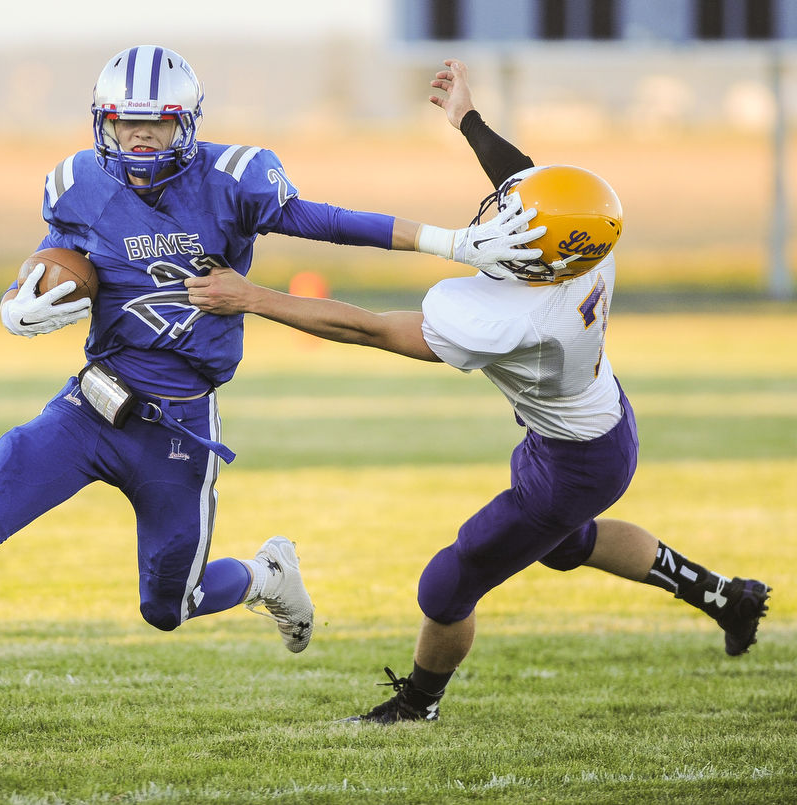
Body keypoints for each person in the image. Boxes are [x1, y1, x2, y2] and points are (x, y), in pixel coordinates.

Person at [0, 47, 542, 732]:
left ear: (186, 124)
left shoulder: (233, 180)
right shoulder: (77, 184)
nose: (143, 141)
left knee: (169, 606)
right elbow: (57, 257)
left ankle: (265, 574)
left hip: (177, 432)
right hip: (88, 407)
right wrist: (19, 298)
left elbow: (322, 219)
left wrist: (447, 241)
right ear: (103, 124)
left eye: (158, 126)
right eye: (128, 125)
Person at [183, 59, 772, 724]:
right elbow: (529, 180)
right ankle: (727, 596)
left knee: (448, 582)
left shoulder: (516, 318)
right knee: (568, 545)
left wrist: (253, 296)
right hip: (599, 427)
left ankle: (417, 704)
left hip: (572, 466)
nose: (499, 207)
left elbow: (370, 328)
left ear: (529, 255)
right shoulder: (584, 246)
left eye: (511, 217)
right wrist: (468, 118)